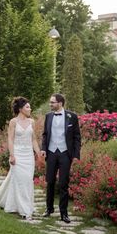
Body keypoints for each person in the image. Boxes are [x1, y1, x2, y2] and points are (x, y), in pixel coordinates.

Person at [0, 97, 42, 220]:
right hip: (18, 155)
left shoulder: (32, 122)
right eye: (27, 107)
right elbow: (10, 139)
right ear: (20, 109)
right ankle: (25, 211)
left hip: (28, 157)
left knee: (27, 181)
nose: (30, 109)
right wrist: (12, 155)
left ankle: (24, 206)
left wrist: (39, 153)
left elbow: (33, 139)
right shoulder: (13, 122)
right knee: (19, 181)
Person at [40, 92, 81, 223]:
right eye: (50, 102)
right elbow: (45, 135)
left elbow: (77, 137)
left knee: (64, 183)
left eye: (52, 102)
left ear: (60, 103)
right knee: (50, 181)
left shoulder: (72, 117)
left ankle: (64, 213)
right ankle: (49, 208)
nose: (50, 104)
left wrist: (75, 155)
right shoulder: (48, 116)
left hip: (65, 153)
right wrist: (43, 149)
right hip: (51, 152)